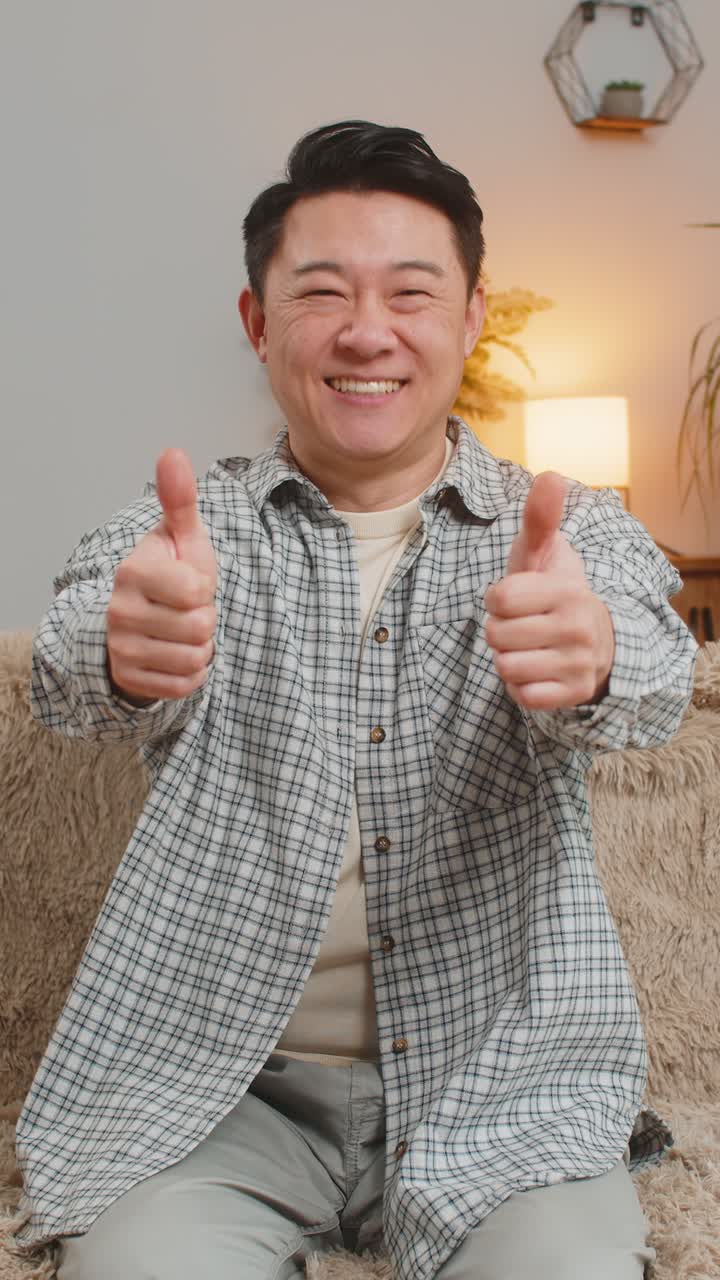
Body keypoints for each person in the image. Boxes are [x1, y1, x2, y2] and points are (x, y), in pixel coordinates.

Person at [13, 120, 697, 1280]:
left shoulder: (565, 533)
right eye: (321, 291)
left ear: (472, 315)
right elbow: (74, 655)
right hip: (220, 1094)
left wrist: (595, 659)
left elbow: (658, 665)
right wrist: (130, 650)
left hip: (504, 1088)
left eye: (411, 293)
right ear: (258, 322)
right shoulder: (186, 531)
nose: (366, 331)